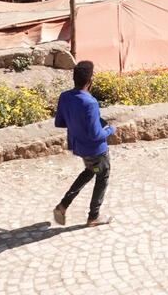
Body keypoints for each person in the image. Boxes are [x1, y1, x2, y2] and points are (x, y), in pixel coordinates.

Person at [53, 60, 116, 227]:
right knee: (102, 177)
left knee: (90, 171)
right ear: (90, 81)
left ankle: (63, 205)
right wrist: (110, 130)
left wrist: (77, 122)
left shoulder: (65, 97)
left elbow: (59, 122)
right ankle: (93, 216)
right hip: (96, 150)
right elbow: (96, 134)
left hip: (79, 147)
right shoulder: (90, 102)